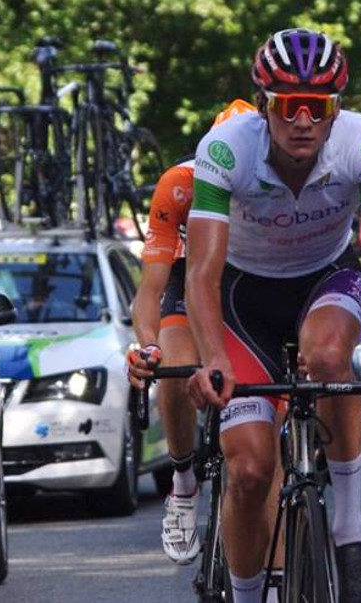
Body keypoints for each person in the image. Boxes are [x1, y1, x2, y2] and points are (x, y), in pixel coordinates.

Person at [185, 28, 361, 603]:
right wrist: (214, 359)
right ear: (264, 105)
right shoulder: (225, 148)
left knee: (327, 357)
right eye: (286, 106)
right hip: (244, 300)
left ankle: (349, 532)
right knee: (248, 473)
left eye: (316, 107)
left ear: (335, 109)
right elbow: (201, 273)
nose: (302, 120)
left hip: (326, 278)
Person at [126, 98, 256, 566]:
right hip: (193, 270)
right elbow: (151, 288)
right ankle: (183, 480)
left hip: (260, 276)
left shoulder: (279, 180)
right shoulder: (180, 184)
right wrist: (148, 346)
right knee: (176, 367)